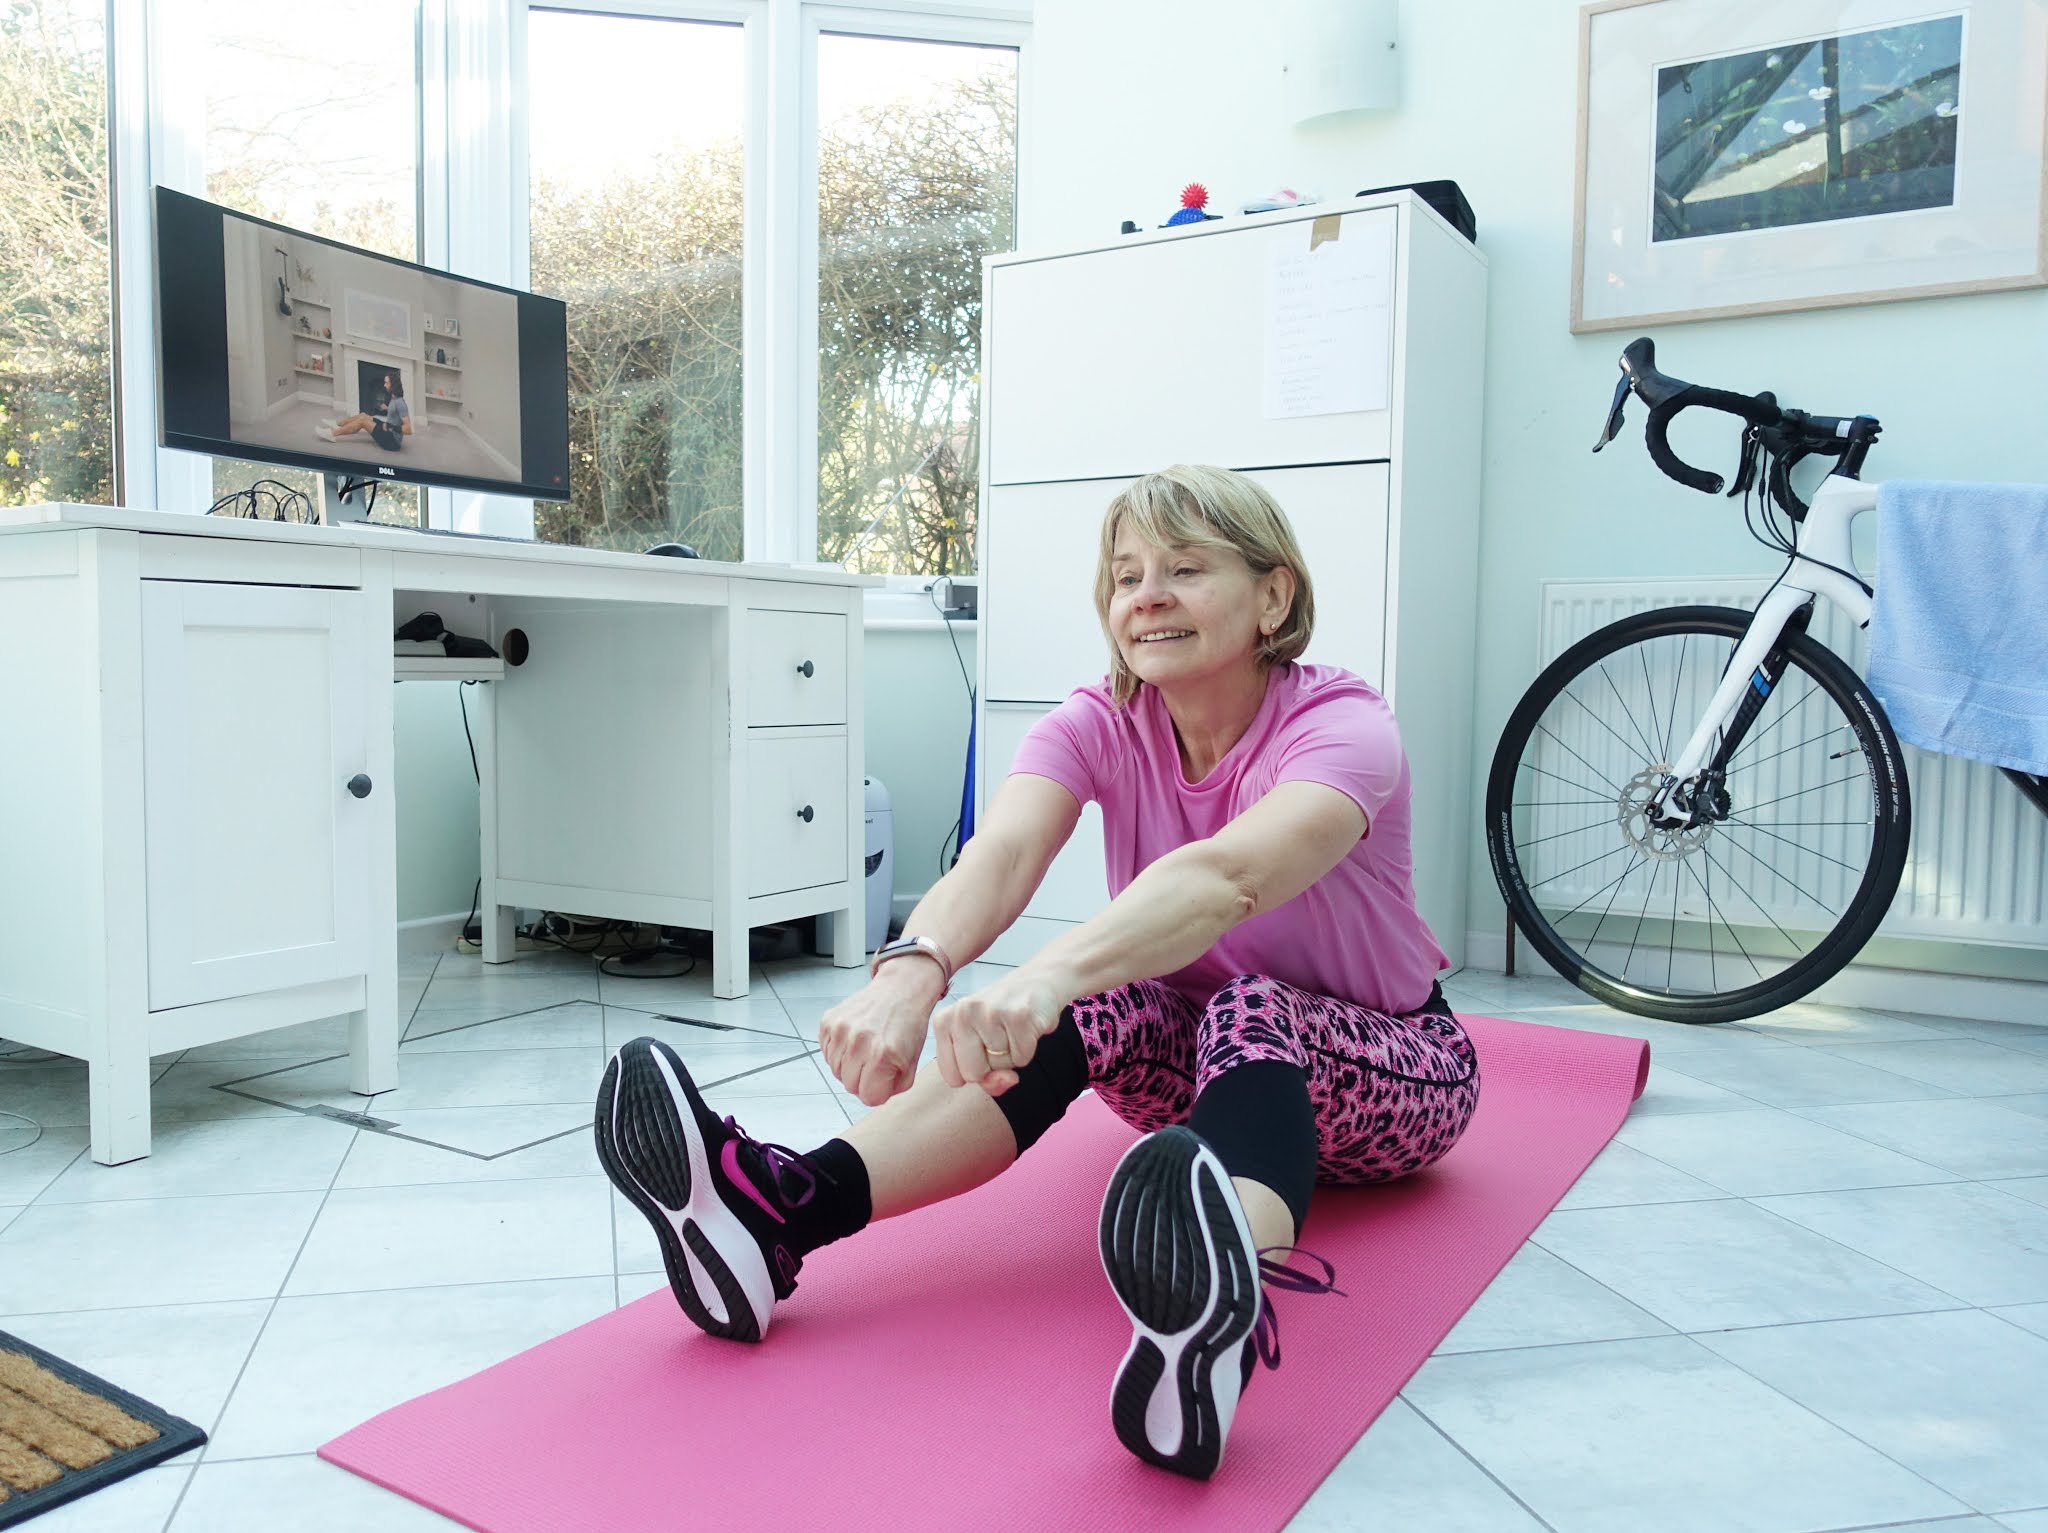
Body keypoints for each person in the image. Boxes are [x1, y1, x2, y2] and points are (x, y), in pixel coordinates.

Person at [596, 465, 1479, 1480]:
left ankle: (1220, 1307)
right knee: (1106, 999)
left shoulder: (1344, 726)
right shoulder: (1100, 719)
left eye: (1185, 569)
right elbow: (1004, 851)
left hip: (1402, 1069)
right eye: (1126, 576)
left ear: (1272, 595)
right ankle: (778, 1212)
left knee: (1241, 1003)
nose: (1146, 596)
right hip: (1198, 1069)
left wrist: (1046, 974)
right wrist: (914, 969)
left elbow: (1227, 879)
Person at [317, 373, 410, 450]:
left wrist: (390, 427)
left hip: (392, 441)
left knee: (363, 422)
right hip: (388, 430)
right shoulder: (394, 398)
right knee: (363, 415)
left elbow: (408, 429)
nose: (384, 385)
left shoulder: (400, 403)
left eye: (386, 383)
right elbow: (396, 412)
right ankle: (338, 424)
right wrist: (387, 408)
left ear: (393, 385)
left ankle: (332, 434)